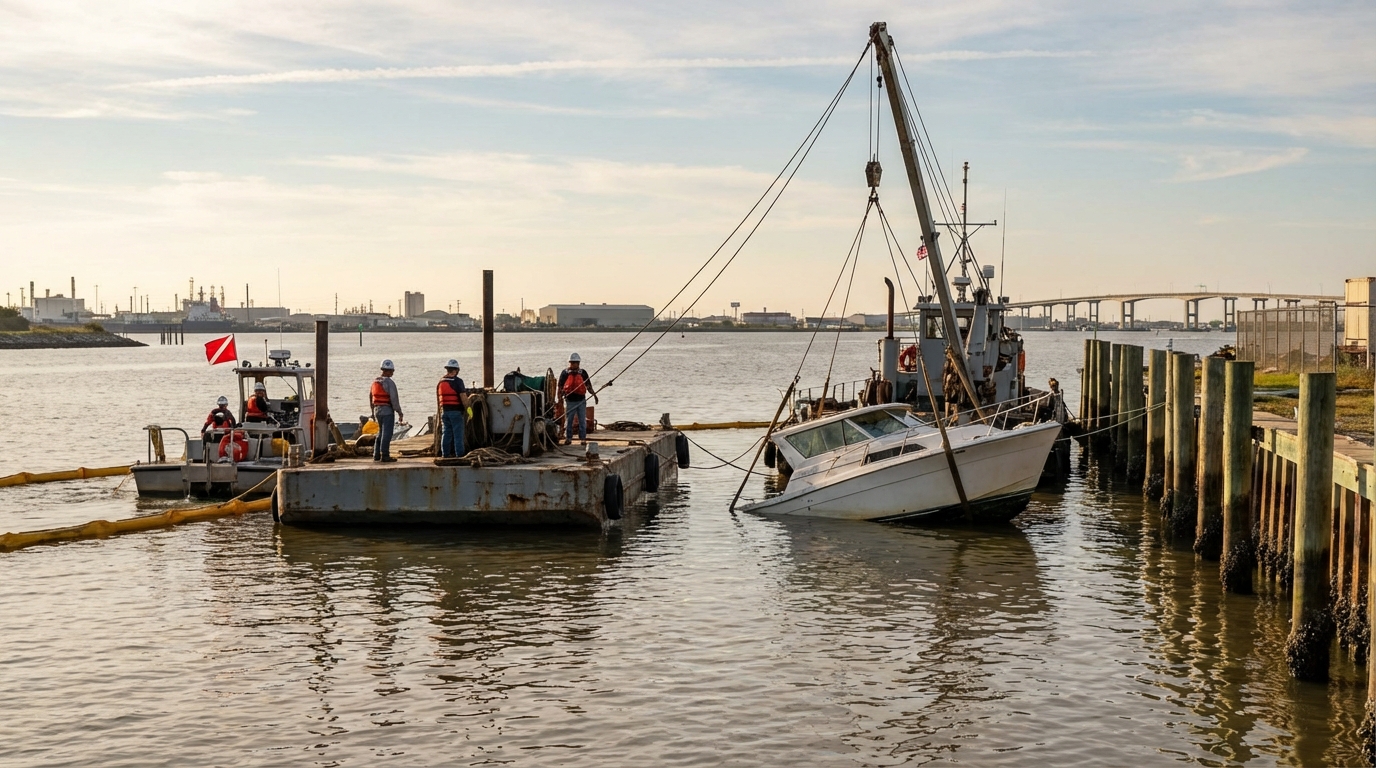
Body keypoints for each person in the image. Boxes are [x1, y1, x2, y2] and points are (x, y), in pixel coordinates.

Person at [557, 352, 598, 445]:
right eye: (571, 362)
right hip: (570, 401)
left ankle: (583, 438)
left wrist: (595, 395)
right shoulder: (565, 373)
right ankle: (568, 438)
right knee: (569, 421)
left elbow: (588, 385)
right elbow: (560, 387)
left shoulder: (583, 373)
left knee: (582, 420)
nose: (573, 364)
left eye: (574, 362)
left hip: (581, 401)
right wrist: (559, 399)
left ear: (578, 363)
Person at [370, 359, 404, 462]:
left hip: (377, 410)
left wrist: (372, 412)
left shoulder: (375, 382)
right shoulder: (389, 383)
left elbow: (370, 397)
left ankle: (376, 454)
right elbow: (394, 399)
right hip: (387, 411)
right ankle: (385, 455)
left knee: (380, 432)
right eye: (392, 371)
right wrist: (399, 412)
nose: (392, 373)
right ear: (388, 371)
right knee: (387, 433)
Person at [436, 359, 468, 458]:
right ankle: (460, 455)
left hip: (444, 412)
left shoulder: (441, 382)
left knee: (446, 433)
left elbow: (439, 399)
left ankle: (445, 454)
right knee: (458, 434)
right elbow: (463, 397)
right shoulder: (457, 381)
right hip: (456, 412)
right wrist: (469, 409)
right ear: (457, 370)